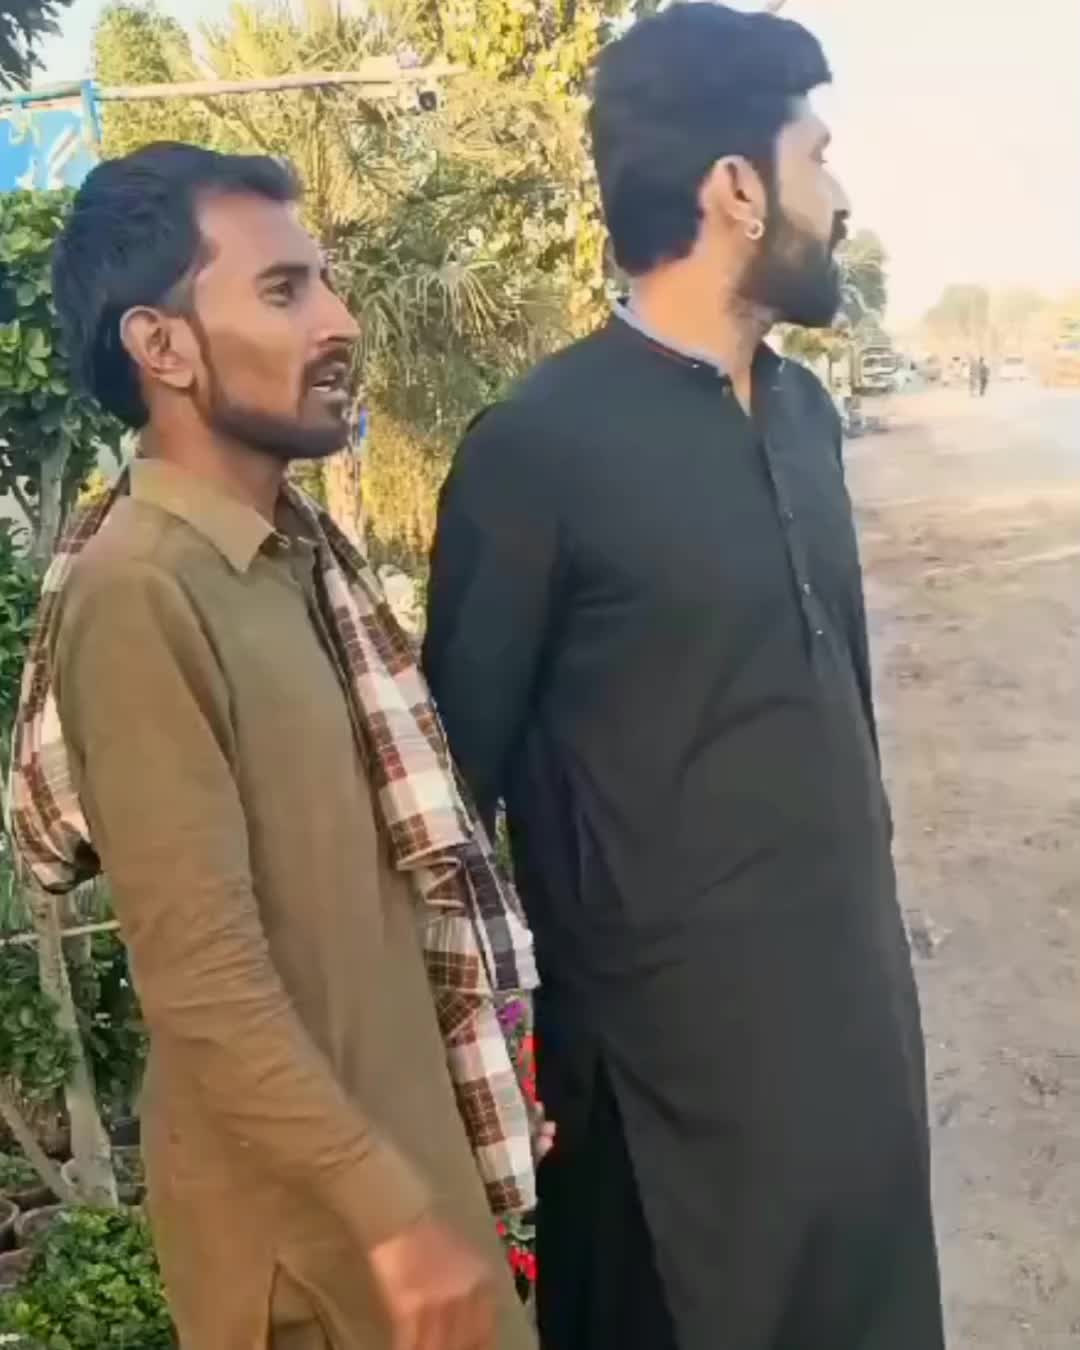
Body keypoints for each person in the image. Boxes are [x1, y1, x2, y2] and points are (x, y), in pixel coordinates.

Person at [423, 7, 945, 1350]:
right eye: (815, 156)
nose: (838, 194)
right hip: (668, 1126)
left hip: (858, 1067)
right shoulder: (535, 451)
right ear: (735, 188)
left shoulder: (809, 417)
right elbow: (444, 818)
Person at [13, 143, 538, 1350]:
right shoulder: (141, 592)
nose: (339, 322)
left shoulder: (297, 564)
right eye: (284, 290)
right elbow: (204, 985)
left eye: (327, 282)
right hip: (321, 1261)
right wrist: (393, 1217)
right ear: (163, 347)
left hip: (412, 1204)